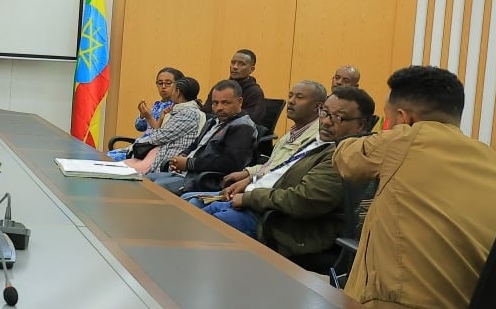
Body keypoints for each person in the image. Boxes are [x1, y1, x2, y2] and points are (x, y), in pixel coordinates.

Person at [334, 66, 496, 309]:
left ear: (404, 118)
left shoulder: (403, 139)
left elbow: (345, 158)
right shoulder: (494, 162)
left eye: (387, 119)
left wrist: (388, 134)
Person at [202, 87, 375, 265]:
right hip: (264, 206)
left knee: (206, 229)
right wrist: (250, 181)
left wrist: (249, 197)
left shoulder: (343, 156)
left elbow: (303, 199)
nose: (326, 122)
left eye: (338, 117)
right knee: (197, 212)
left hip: (282, 227)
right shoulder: (321, 143)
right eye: (324, 113)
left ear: (361, 125)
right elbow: (279, 170)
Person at [182, 81, 326, 207]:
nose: (291, 101)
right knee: (189, 201)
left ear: (318, 107)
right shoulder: (292, 132)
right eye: (290, 96)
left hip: (266, 196)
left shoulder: (318, 138)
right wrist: (247, 173)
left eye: (299, 97)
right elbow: (271, 164)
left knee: (192, 203)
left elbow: (284, 173)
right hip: (253, 186)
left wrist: (250, 180)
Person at [146, 80, 255, 194]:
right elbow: (195, 144)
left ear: (239, 101)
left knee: (153, 189)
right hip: (187, 173)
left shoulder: (243, 127)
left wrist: (189, 164)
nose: (219, 108)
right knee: (145, 180)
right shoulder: (213, 121)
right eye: (215, 103)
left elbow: (230, 164)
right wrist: (182, 156)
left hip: (206, 180)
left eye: (225, 103)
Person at [120, 77, 204, 175]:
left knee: (122, 170)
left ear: (178, 92)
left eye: (169, 84)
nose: (163, 87)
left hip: (167, 163)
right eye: (160, 83)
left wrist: (150, 117)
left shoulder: (188, 113)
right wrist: (160, 118)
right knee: (119, 166)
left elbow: (158, 137)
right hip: (155, 155)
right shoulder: (176, 110)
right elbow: (143, 128)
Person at [228, 49, 267, 124]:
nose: (235, 67)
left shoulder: (255, 92)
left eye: (241, 64)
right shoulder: (221, 87)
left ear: (251, 69)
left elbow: (250, 120)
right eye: (233, 62)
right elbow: (206, 112)